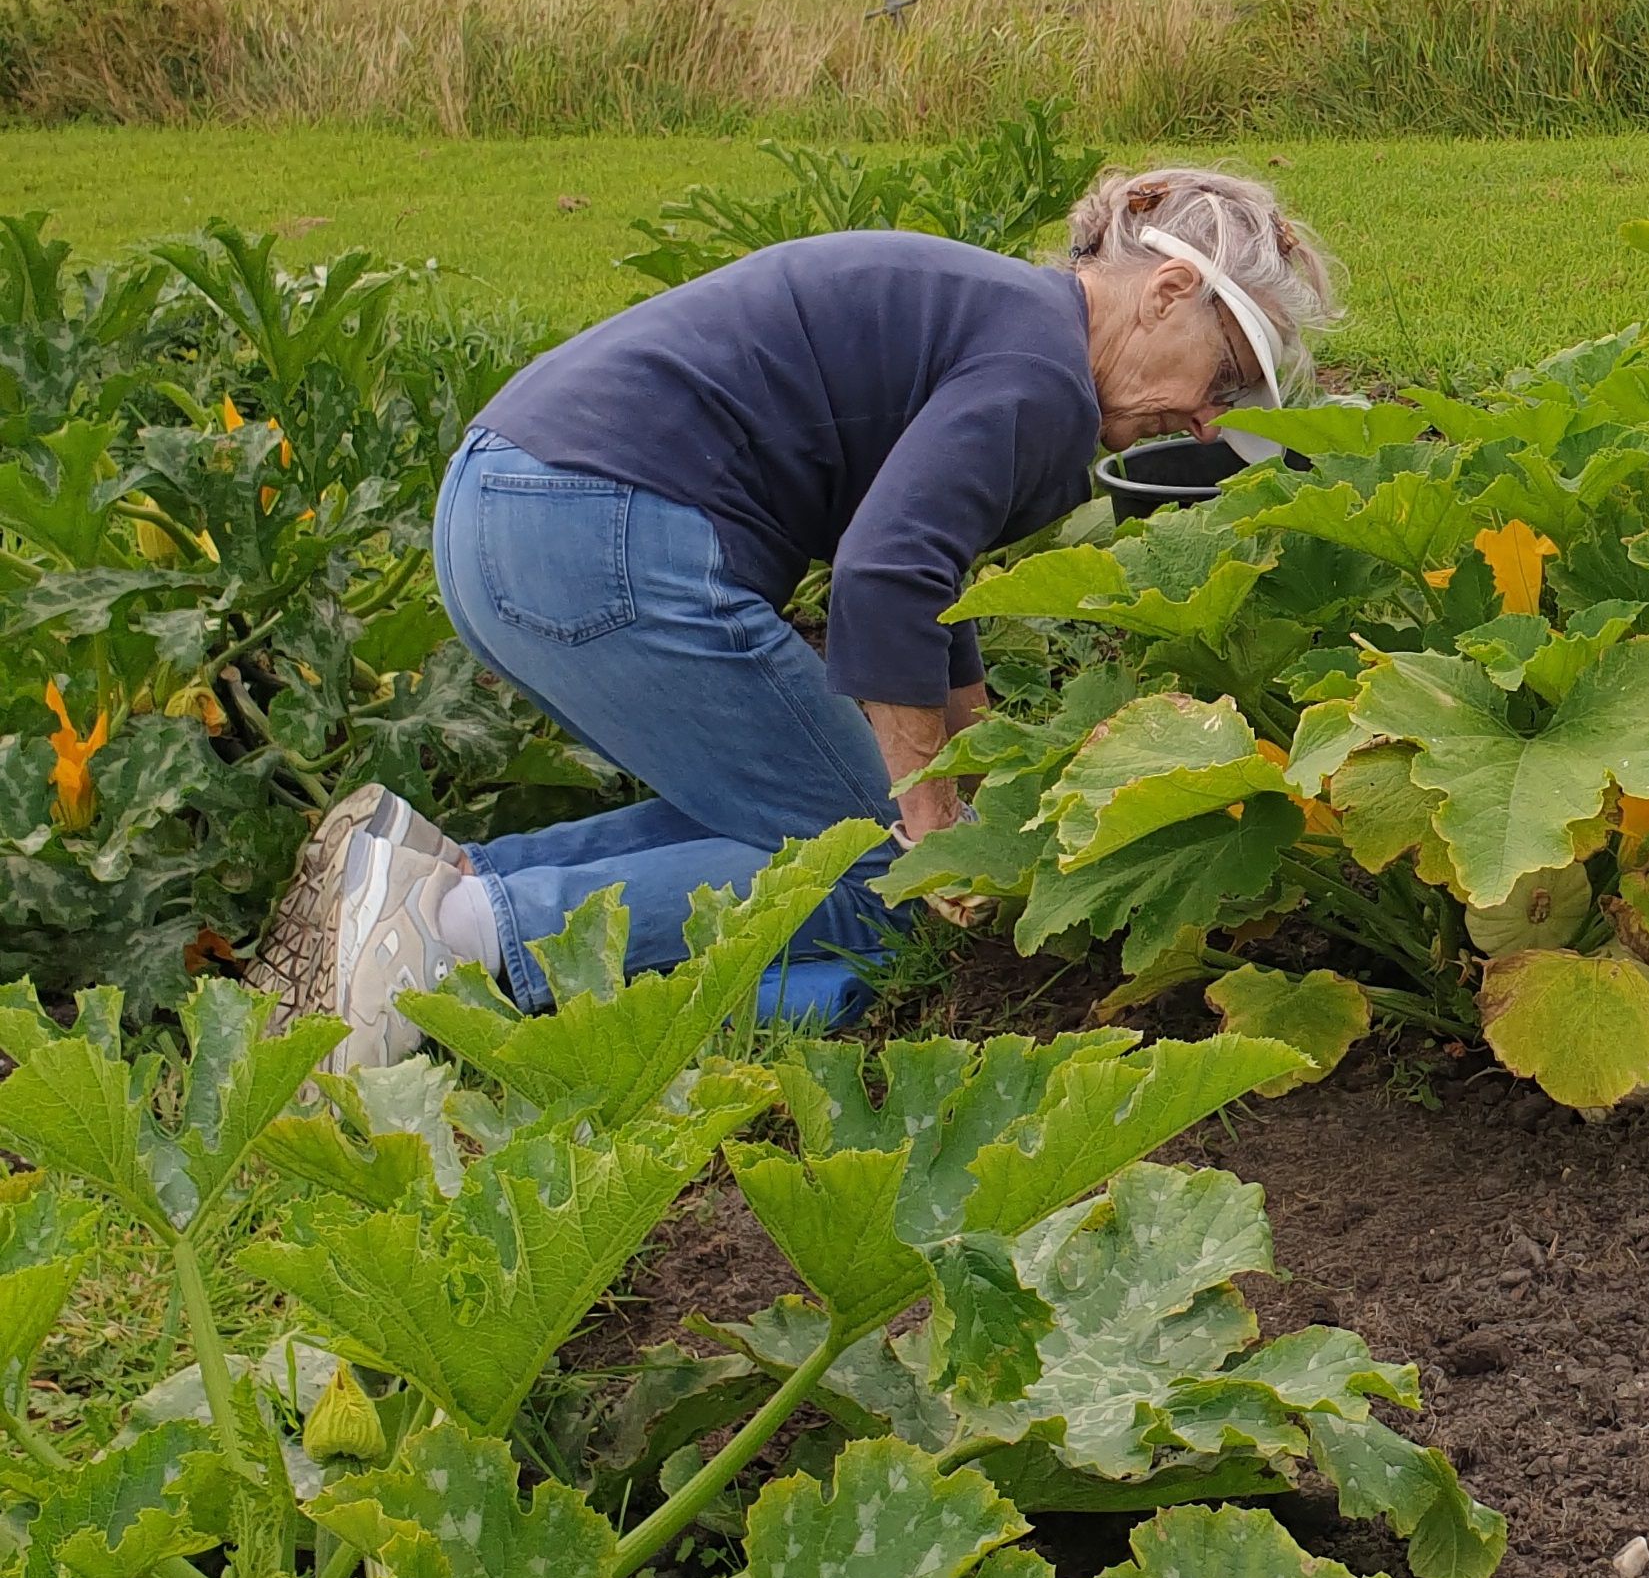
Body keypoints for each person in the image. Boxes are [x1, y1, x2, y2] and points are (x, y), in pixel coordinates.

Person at [253, 167, 1335, 1065]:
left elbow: (931, 579)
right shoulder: (1041, 376)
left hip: (514, 507)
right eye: (1224, 376)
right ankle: (454, 946)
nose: (1203, 417)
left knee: (792, 829)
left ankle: (440, 892)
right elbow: (884, 577)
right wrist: (928, 823)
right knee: (869, 872)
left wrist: (976, 775)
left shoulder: (1006, 322)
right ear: (1166, 291)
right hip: (602, 530)